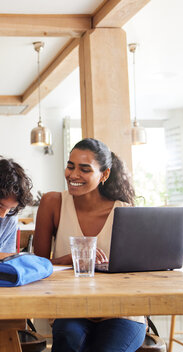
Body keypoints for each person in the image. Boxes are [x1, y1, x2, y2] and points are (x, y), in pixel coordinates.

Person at [33, 138, 145, 352]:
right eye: (70, 166)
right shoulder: (52, 203)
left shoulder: (125, 210)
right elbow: (36, 266)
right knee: (68, 339)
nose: (73, 175)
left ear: (104, 175)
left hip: (120, 311)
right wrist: (66, 261)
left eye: (84, 169)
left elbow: (137, 272)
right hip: (71, 309)